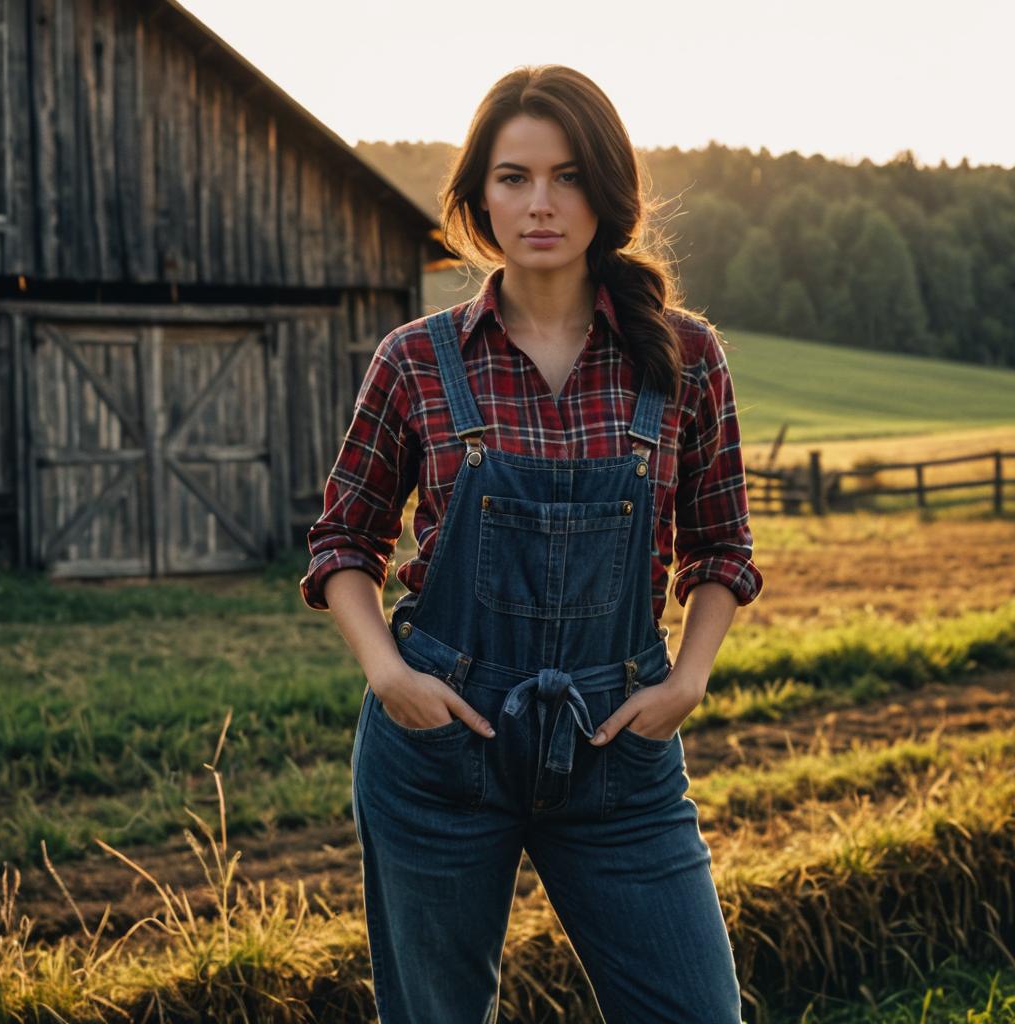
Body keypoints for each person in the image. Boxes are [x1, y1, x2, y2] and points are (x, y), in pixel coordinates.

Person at [300, 64, 764, 1024]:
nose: (540, 204)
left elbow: (720, 545)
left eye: (568, 177)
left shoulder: (682, 357)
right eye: (513, 178)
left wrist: (687, 679)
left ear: (610, 191)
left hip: (618, 751)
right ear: (477, 197)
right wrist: (389, 675)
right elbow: (344, 540)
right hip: (439, 749)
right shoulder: (417, 360)